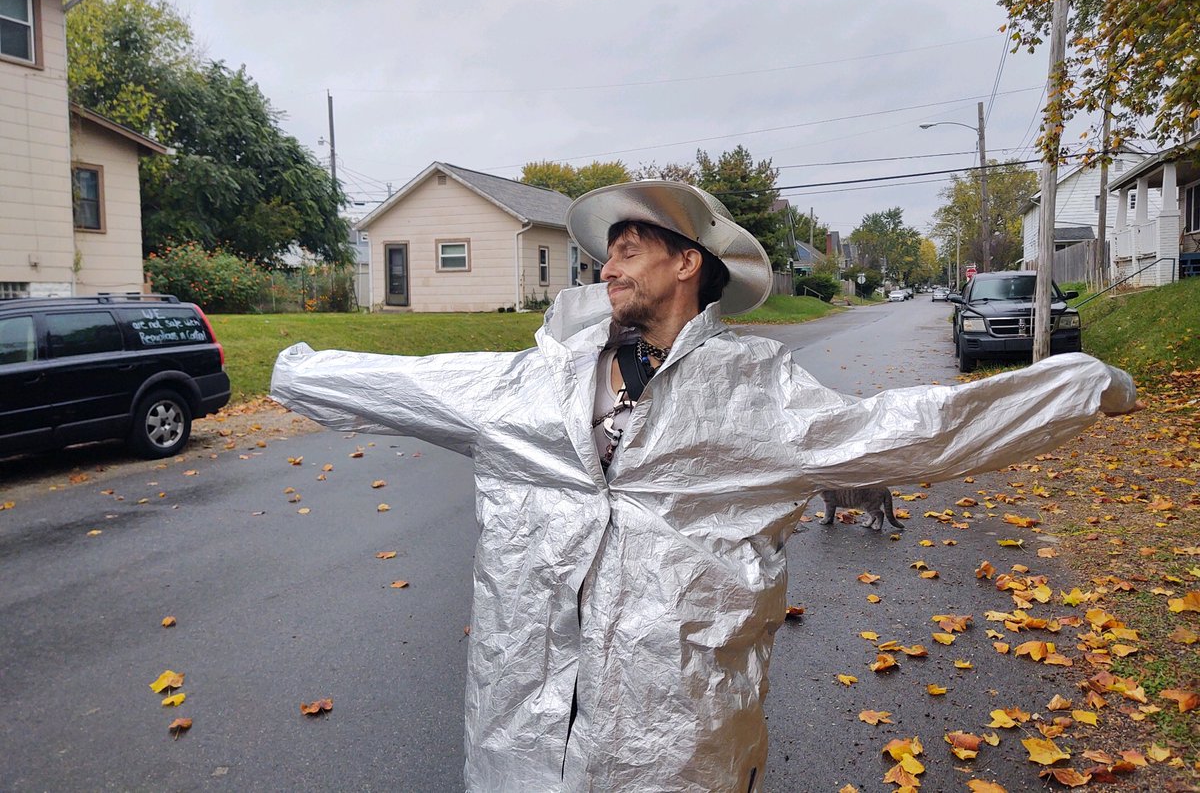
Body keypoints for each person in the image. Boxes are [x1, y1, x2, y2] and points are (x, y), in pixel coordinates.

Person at [271, 180, 1139, 793]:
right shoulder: (529, 386)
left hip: (675, 730)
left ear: (689, 263)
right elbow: (408, 384)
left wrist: (1070, 389)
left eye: (629, 249)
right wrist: (298, 371)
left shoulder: (754, 392)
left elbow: (909, 431)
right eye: (604, 256)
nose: (607, 269)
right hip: (522, 723)